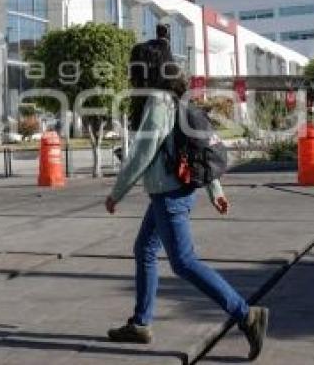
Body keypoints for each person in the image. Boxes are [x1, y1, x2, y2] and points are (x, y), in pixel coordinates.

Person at [105, 44, 268, 361]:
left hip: (169, 196)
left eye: (134, 65)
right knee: (145, 250)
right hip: (168, 193)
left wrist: (117, 191)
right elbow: (192, 146)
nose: (130, 71)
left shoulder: (157, 101)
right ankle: (140, 323)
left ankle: (246, 315)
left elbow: (143, 153)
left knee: (183, 262)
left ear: (144, 69)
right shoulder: (172, 100)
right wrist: (215, 190)